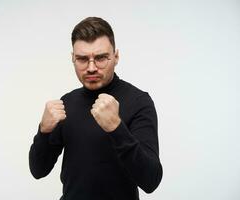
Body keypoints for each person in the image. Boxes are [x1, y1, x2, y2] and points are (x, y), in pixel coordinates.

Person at [29, 17, 163, 200]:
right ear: (72, 59)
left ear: (116, 57)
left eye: (100, 58)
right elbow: (38, 170)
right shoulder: (66, 103)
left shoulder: (139, 101)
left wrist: (116, 128)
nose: (91, 68)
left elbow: (151, 181)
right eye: (82, 59)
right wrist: (43, 132)